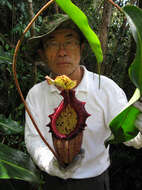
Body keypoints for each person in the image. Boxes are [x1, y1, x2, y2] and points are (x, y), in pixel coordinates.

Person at [25, 14, 142, 190]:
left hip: (94, 183)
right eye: (52, 44)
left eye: (69, 42)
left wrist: (138, 123)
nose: (62, 51)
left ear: (81, 48)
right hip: (52, 183)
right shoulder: (36, 94)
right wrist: (50, 164)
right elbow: (34, 139)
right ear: (42, 54)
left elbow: (132, 137)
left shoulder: (105, 88)